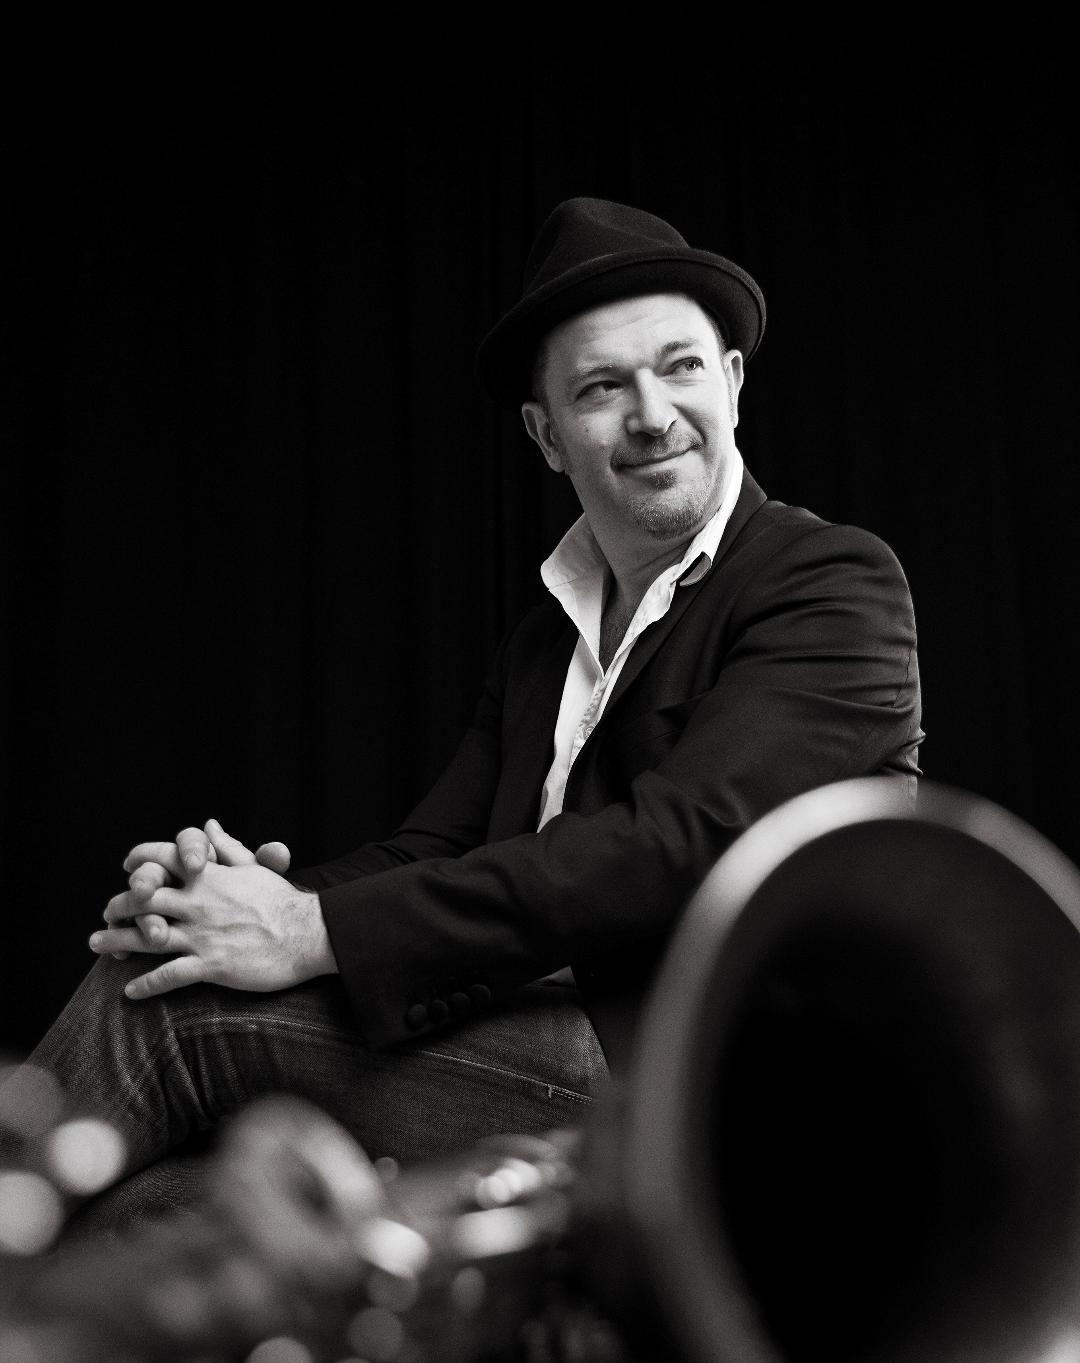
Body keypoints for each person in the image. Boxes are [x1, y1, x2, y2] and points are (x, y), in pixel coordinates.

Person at [1, 198, 922, 1189]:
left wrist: (304, 932)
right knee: (178, 1169)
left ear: (733, 382)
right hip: (565, 1048)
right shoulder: (546, 640)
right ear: (547, 434)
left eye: (681, 367)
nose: (653, 414)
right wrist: (242, 902)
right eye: (603, 386)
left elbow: (671, 847)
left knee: (171, 1008)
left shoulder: (833, 582)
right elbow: (433, 851)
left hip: (723, 1093)